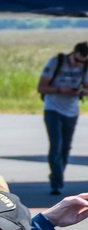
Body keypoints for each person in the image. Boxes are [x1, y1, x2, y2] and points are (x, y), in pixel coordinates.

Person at [39, 42, 88, 195]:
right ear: (73, 54)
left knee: (66, 147)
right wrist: (61, 89)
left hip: (71, 111)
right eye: (78, 60)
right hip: (53, 108)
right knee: (56, 145)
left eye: (83, 62)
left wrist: (80, 91)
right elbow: (41, 87)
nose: (79, 64)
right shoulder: (56, 62)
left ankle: (57, 174)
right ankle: (56, 181)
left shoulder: (85, 66)